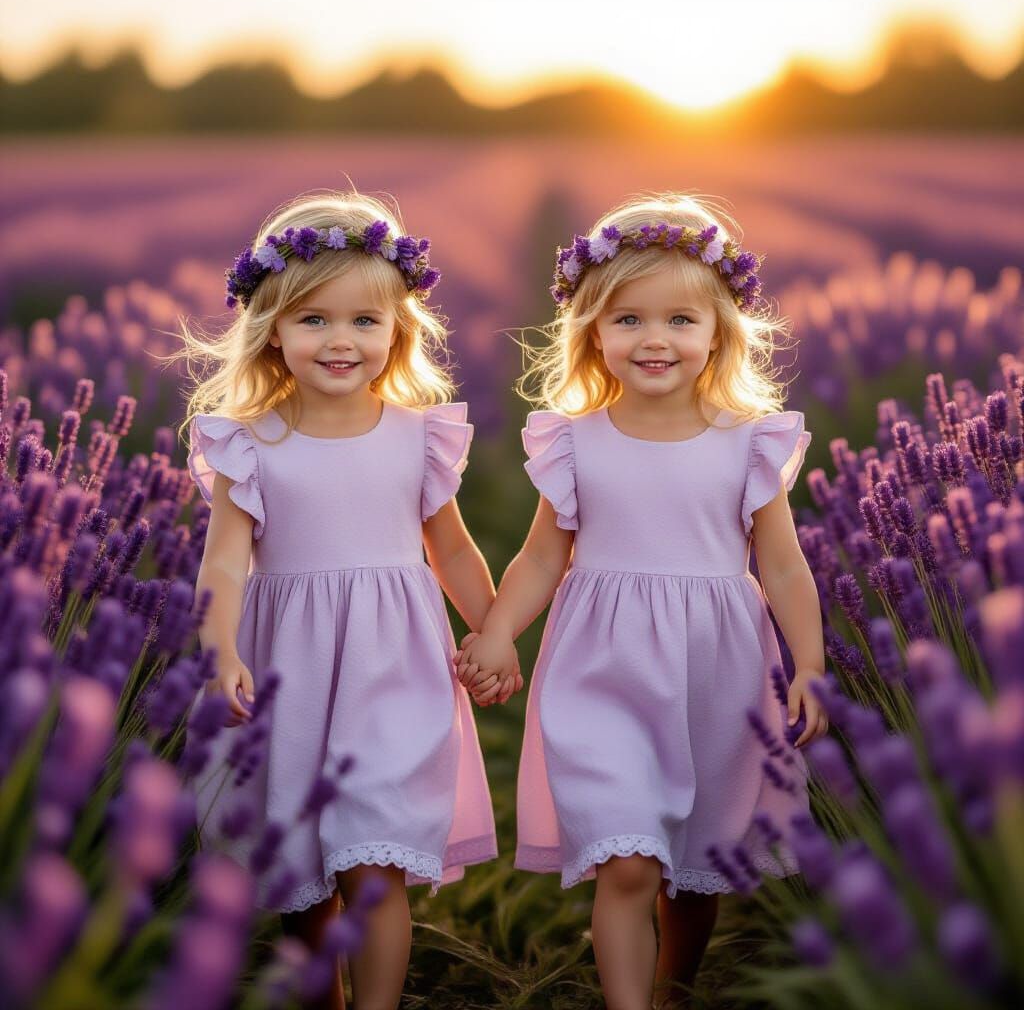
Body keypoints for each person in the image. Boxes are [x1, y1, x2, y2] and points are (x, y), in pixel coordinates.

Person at [456, 193, 828, 1010]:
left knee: (695, 868)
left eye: (679, 321)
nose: (653, 339)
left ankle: (674, 989)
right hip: (604, 668)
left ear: (720, 331)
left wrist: (809, 667)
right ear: (591, 329)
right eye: (627, 319)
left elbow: (786, 566)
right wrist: (494, 632)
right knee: (627, 856)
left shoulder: (748, 440)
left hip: (718, 673)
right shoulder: (576, 439)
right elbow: (540, 555)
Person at [179, 189, 499, 1010]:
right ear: (272, 328)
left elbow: (453, 547)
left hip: (395, 665)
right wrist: (221, 654)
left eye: (365, 321)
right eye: (313, 320)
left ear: (398, 330)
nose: (340, 340)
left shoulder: (416, 434)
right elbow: (223, 564)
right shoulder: (248, 441)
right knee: (302, 867)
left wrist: (493, 632)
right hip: (289, 669)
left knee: (378, 857)